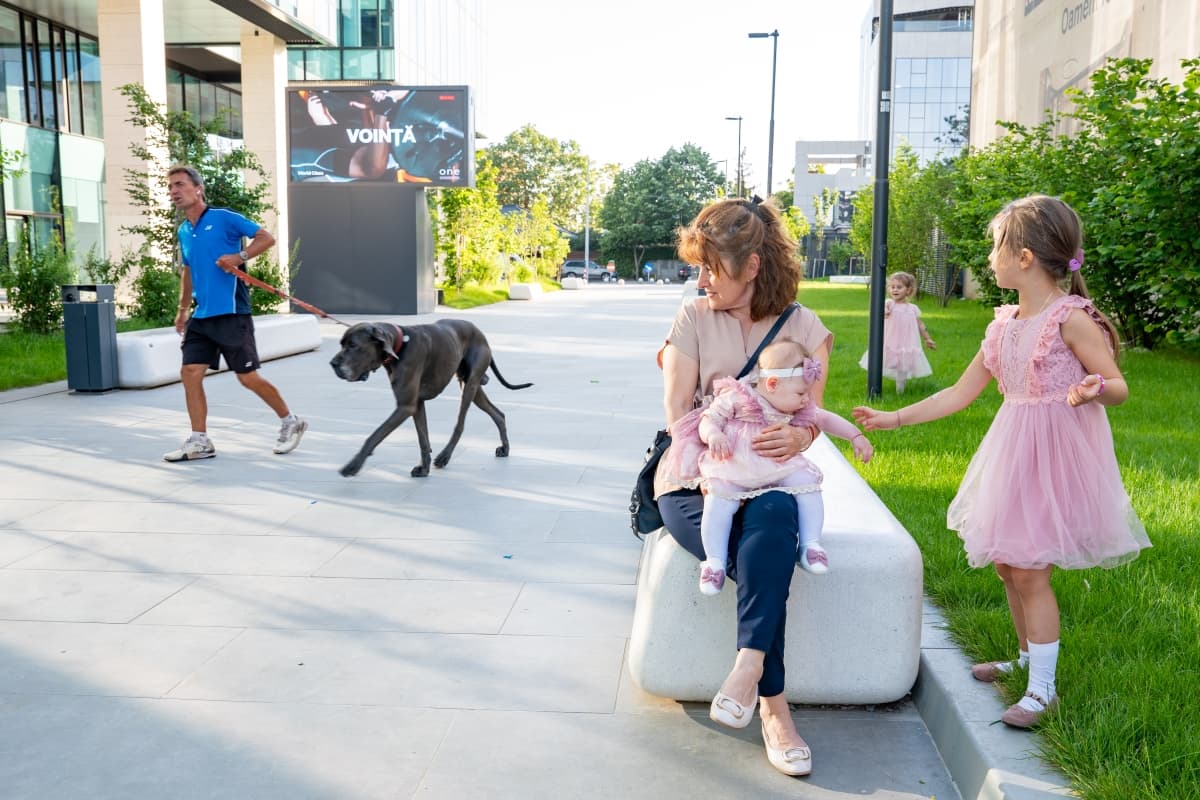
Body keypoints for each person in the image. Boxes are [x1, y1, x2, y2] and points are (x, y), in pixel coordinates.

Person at [853, 194, 1150, 729]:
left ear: (1026, 258)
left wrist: (1093, 387)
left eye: (996, 247)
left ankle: (1043, 690)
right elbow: (960, 393)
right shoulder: (1003, 323)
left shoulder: (1071, 318)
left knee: (1032, 571)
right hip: (1013, 450)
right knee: (1009, 564)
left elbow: (1119, 387)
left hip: (1056, 457)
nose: (989, 257)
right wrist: (893, 418)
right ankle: (1025, 658)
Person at [654, 196, 832, 777]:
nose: (700, 279)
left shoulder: (806, 328)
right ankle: (774, 705)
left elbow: (810, 418)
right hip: (692, 477)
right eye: (698, 267)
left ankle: (747, 671)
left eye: (711, 267)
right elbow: (678, 410)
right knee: (763, 552)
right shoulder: (693, 316)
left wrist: (799, 443)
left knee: (775, 522)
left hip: (769, 476)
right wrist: (711, 464)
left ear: (752, 265)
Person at [659, 339, 872, 592]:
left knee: (807, 485)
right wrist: (714, 435)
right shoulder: (738, 396)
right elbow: (709, 418)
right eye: (802, 394)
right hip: (734, 464)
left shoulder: (793, 405)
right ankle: (714, 562)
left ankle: (810, 545)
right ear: (772, 384)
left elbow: (823, 418)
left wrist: (855, 436)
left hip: (776, 465)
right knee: (719, 503)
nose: (807, 400)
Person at [163, 165, 308, 462]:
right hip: (201, 316)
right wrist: (182, 310)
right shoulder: (184, 231)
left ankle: (290, 420)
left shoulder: (224, 218)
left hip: (231, 312)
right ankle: (200, 440)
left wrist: (239, 257)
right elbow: (187, 271)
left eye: (179, 185)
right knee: (190, 373)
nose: (174, 191)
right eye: (170, 187)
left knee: (247, 377)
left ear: (197, 189)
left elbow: (266, 238)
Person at [858, 271, 936, 393]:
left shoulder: (912, 308)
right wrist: (884, 312)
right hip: (890, 340)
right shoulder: (889, 303)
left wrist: (927, 338)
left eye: (899, 287)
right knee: (882, 359)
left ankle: (900, 389)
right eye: (892, 287)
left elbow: (920, 324)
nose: (895, 290)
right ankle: (873, 384)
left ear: (908, 290)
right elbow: (882, 310)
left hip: (905, 342)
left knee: (902, 365)